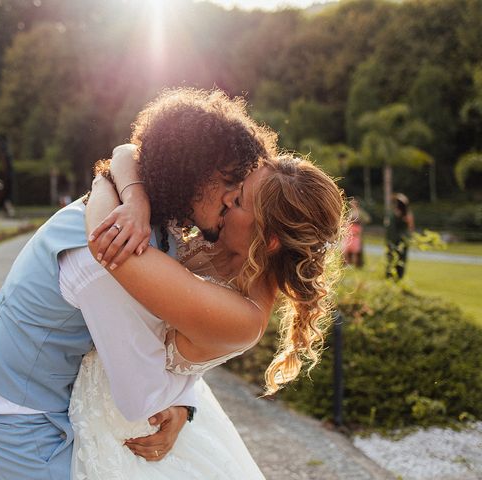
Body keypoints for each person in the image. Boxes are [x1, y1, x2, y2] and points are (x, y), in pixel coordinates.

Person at [0, 87, 273, 479]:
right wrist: (178, 403)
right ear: (191, 172)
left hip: (46, 386)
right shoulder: (120, 250)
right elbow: (140, 394)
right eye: (229, 189)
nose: (231, 200)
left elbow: (127, 154)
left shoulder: (152, 215)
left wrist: (124, 190)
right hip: (14, 408)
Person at [69, 148, 346, 478]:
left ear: (270, 240)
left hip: (128, 422)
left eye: (239, 200)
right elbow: (128, 151)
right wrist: (135, 196)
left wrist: (103, 183)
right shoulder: (229, 243)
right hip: (106, 389)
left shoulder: (244, 316)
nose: (227, 198)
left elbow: (111, 245)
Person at [385, 193, 414, 280]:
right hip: (392, 241)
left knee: (400, 259)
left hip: (401, 241)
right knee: (391, 258)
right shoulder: (392, 214)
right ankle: (389, 275)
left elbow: (410, 228)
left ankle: (398, 276)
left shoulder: (407, 215)